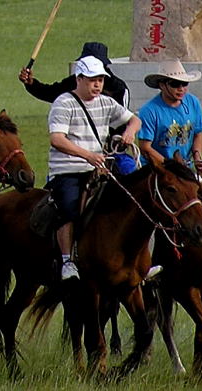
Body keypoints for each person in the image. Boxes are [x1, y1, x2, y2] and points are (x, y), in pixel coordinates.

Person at [47, 55, 140, 281]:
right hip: (68, 170)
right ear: (78, 79)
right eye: (92, 80)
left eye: (100, 79)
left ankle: (134, 260)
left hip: (99, 168)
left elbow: (134, 119)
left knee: (131, 200)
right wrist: (87, 155)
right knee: (69, 208)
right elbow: (57, 139)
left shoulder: (106, 102)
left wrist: (129, 133)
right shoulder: (63, 103)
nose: (97, 84)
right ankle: (68, 260)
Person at [137, 60, 202, 176]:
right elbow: (145, 148)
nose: (181, 88)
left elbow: (198, 133)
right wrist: (170, 166)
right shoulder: (149, 111)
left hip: (185, 169)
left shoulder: (193, 102)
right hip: (157, 169)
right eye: (175, 84)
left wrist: (197, 158)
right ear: (162, 85)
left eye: (184, 84)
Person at [19, 41, 129, 106]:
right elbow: (50, 93)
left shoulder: (119, 89)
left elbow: (123, 122)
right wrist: (31, 83)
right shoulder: (75, 81)